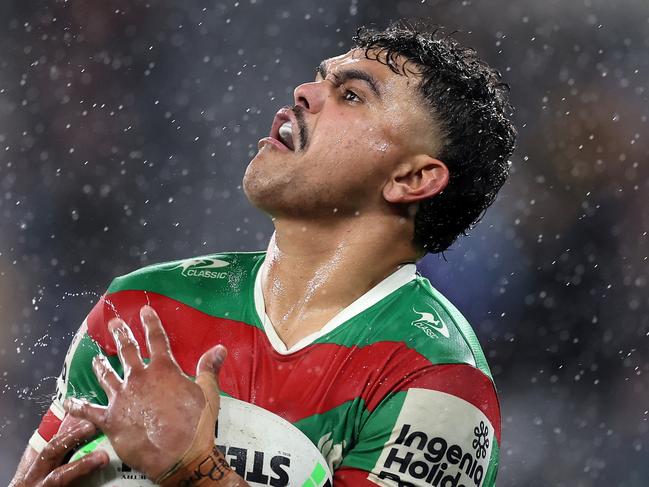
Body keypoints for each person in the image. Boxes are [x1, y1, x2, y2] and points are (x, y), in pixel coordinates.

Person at [10, 22, 516, 487]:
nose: (305, 92)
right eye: (321, 79)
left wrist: (196, 469)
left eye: (352, 95)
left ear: (411, 178)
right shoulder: (145, 308)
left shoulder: (438, 379)